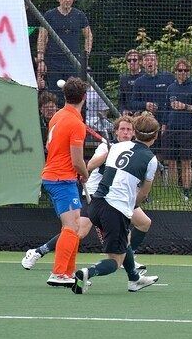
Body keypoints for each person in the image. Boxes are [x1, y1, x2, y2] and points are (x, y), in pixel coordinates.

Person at [22, 116, 153, 274]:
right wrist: (107, 156)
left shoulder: (132, 150)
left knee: (144, 222)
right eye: (122, 129)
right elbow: (89, 165)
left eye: (129, 130)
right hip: (95, 195)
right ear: (116, 132)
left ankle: (126, 257)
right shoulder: (107, 147)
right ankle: (38, 251)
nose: (125, 132)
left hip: (118, 198)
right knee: (79, 232)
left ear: (134, 133)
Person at [71, 113, 161, 294]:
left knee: (124, 241)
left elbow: (104, 164)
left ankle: (134, 279)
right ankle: (87, 272)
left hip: (96, 203)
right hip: (115, 209)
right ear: (155, 136)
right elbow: (143, 192)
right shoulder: (151, 159)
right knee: (115, 261)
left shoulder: (117, 146)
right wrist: (129, 206)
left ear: (134, 131)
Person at [39, 77, 89, 287]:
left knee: (74, 226)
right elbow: (77, 160)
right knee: (71, 226)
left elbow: (53, 149)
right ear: (84, 98)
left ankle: (68, 272)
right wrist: (85, 173)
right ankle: (58, 273)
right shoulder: (76, 124)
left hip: (56, 176)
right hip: (62, 179)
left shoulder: (57, 116)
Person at [36, 0, 93, 103]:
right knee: (54, 94)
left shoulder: (79, 15)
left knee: (74, 92)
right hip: (53, 61)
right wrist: (41, 59)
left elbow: (88, 36)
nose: (67, 0)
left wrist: (86, 55)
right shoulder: (49, 15)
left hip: (73, 62)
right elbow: (42, 37)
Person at [165, 58, 192, 201]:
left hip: (188, 128)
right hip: (171, 128)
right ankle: (172, 193)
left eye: (185, 70)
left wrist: (186, 107)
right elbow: (166, 108)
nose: (182, 73)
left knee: (186, 161)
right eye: (180, 70)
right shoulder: (170, 88)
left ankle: (186, 193)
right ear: (175, 72)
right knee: (170, 161)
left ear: (189, 72)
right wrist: (164, 126)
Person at [118, 49, 143, 115]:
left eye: (134, 60)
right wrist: (123, 110)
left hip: (142, 115)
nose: (131, 62)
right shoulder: (123, 78)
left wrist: (140, 111)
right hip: (128, 116)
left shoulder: (145, 76)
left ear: (140, 62)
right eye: (129, 60)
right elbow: (121, 100)